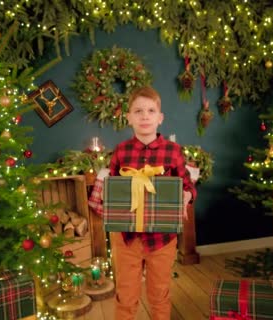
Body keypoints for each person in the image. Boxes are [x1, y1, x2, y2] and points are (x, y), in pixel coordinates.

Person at [106, 86, 197, 320]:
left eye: (150, 110)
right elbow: (113, 190)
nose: (144, 116)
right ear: (129, 118)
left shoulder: (173, 152)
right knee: (125, 295)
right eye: (138, 111)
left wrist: (186, 195)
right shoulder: (120, 152)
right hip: (126, 238)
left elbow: (187, 185)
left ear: (160, 117)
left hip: (162, 239)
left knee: (159, 293)